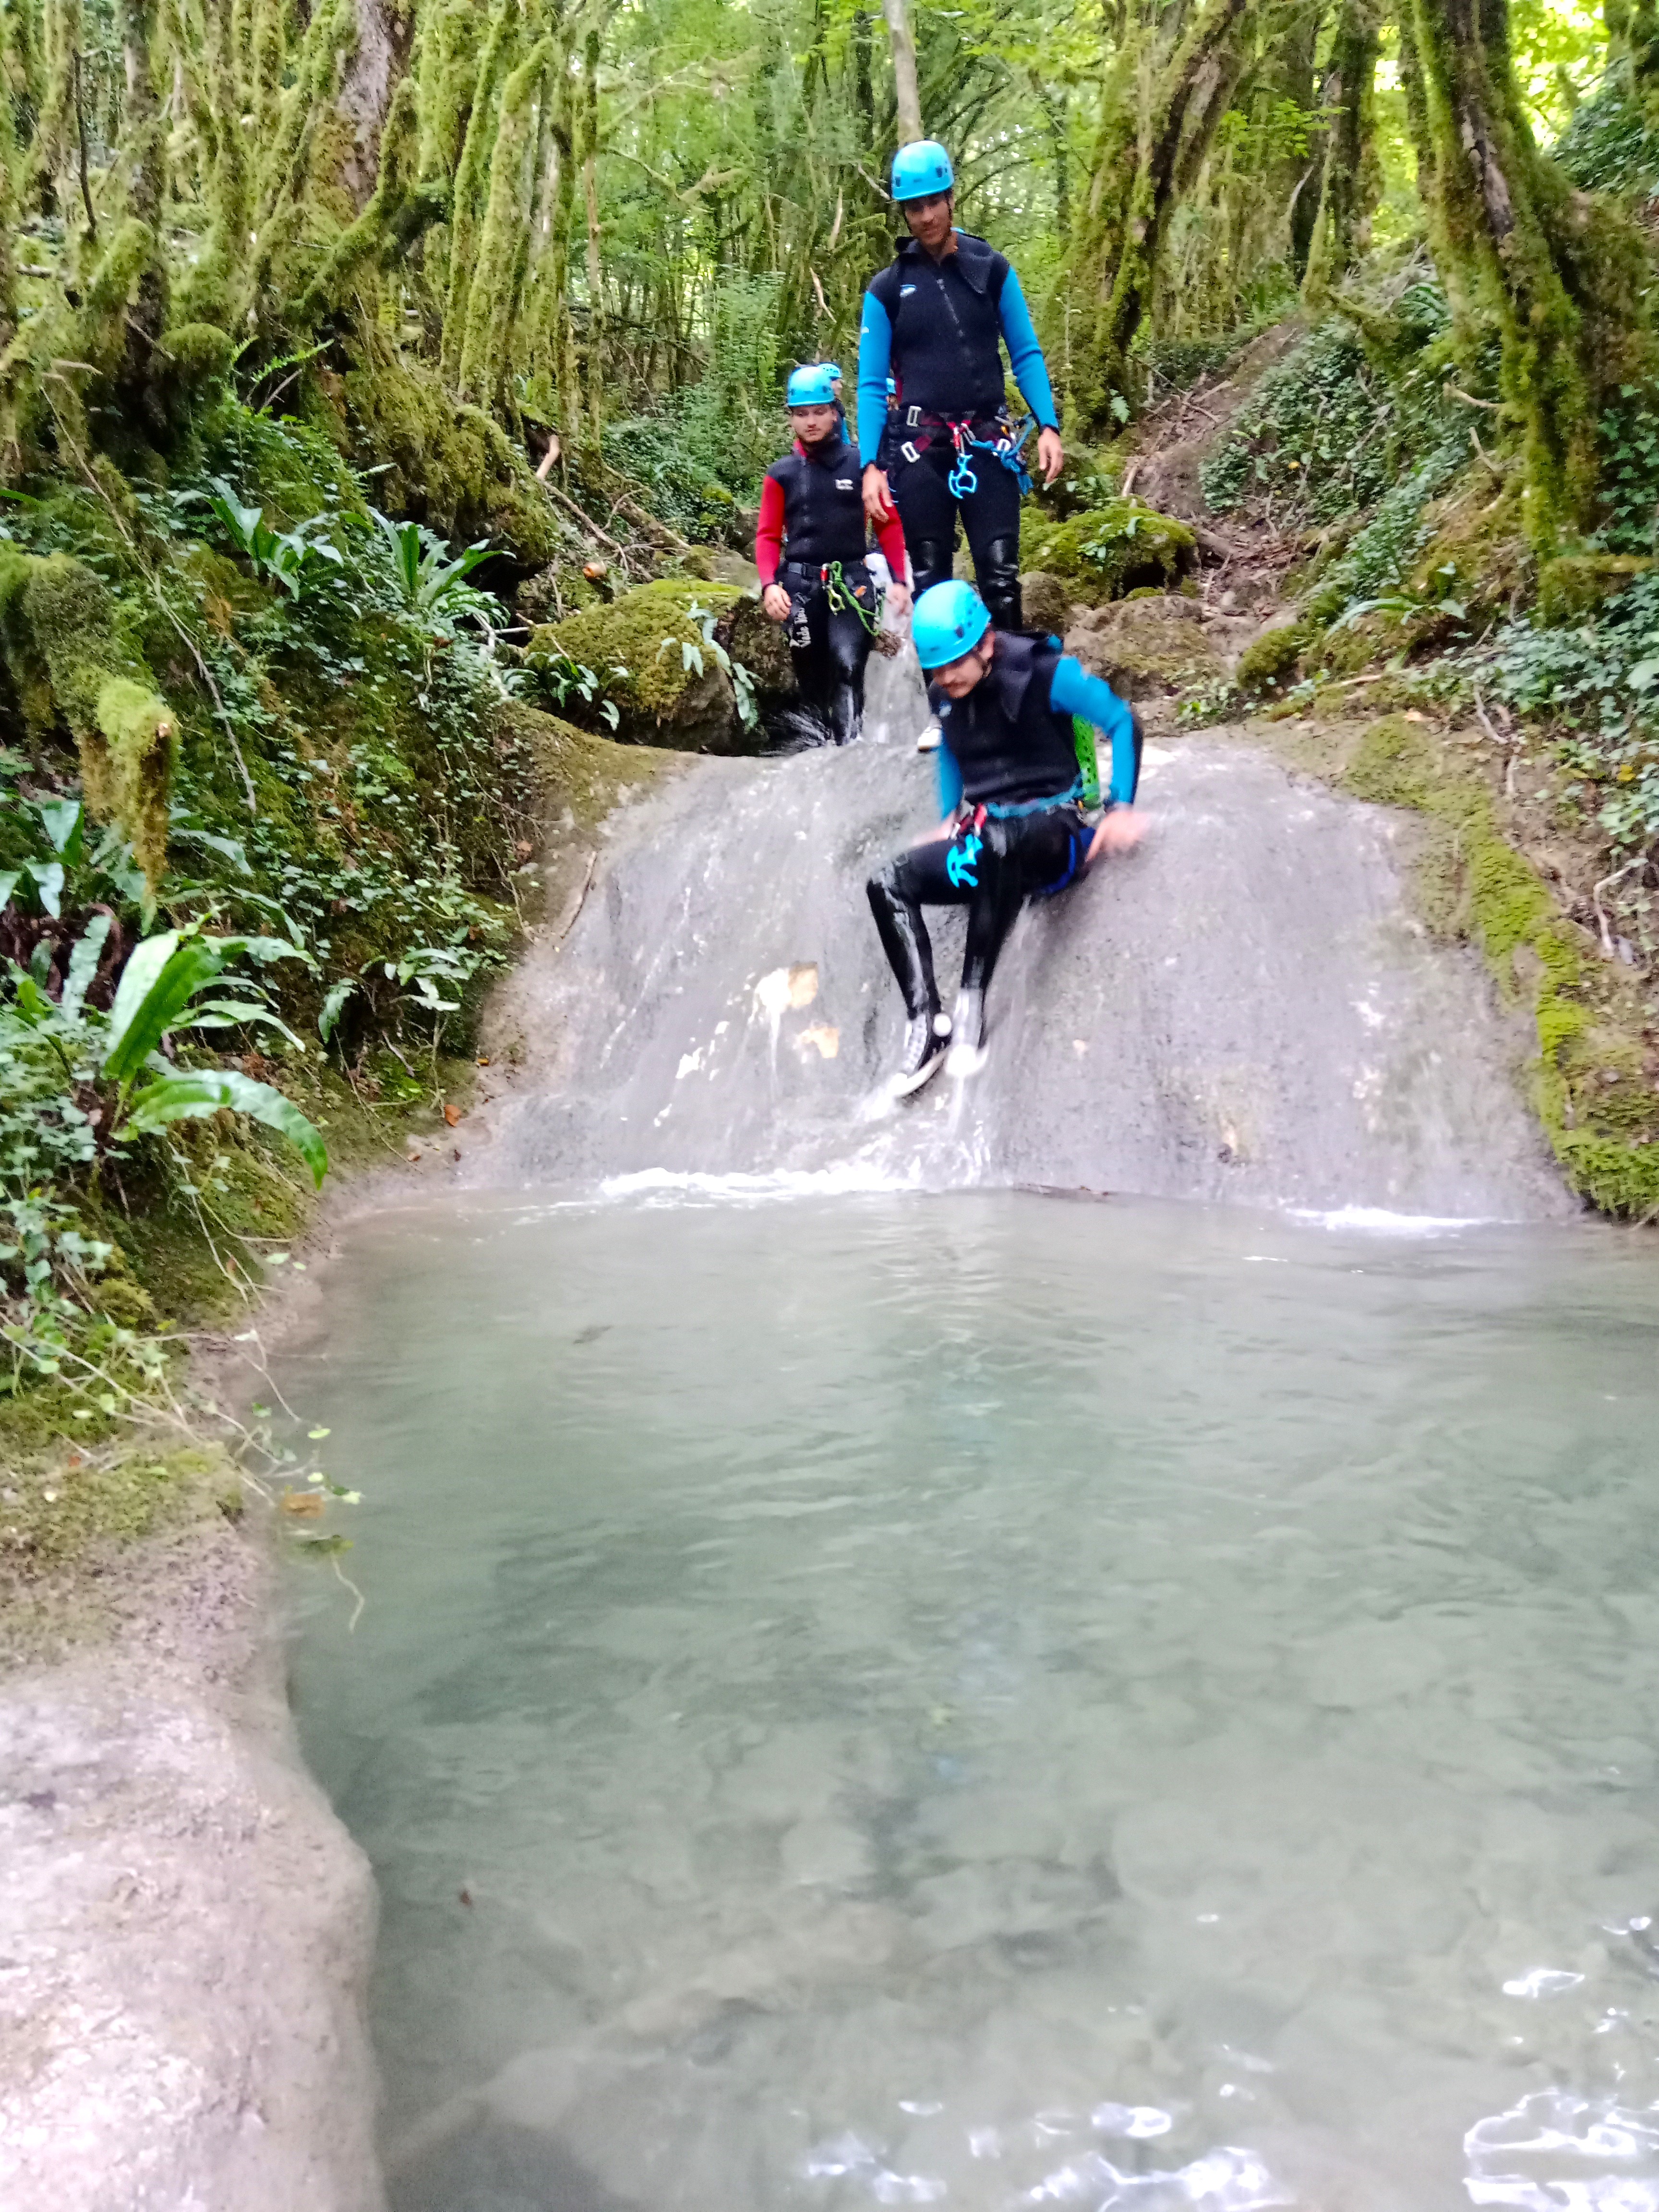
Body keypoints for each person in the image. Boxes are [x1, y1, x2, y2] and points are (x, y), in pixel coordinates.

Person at [866, 579, 1143, 1094]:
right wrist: (950, 815)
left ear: (986, 644)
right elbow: (950, 745)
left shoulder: (1047, 673)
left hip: (1054, 837)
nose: (947, 679)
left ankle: (973, 1000)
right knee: (886, 883)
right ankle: (926, 1022)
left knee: (999, 840)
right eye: (937, 669)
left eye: (955, 665)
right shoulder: (944, 693)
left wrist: (1120, 806)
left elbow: (1122, 721)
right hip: (986, 841)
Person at [855, 139, 1064, 656]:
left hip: (988, 443)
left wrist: (1049, 425)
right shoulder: (886, 290)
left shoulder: (990, 268)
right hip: (919, 451)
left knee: (1000, 576)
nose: (925, 217)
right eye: (913, 207)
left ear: (951, 198)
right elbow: (870, 384)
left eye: (933, 203)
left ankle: (1013, 698)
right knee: (931, 583)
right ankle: (941, 713)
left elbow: (1026, 350)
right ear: (904, 212)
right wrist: (870, 466)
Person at [756, 363, 912, 748]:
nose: (811, 421)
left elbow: (888, 525)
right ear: (791, 418)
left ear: (835, 412)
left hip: (853, 584)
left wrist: (900, 581)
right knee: (810, 676)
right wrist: (769, 585)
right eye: (802, 414)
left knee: (847, 667)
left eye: (820, 411)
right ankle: (813, 756)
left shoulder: (862, 465)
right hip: (800, 586)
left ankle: (849, 752)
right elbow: (767, 535)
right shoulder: (782, 474)